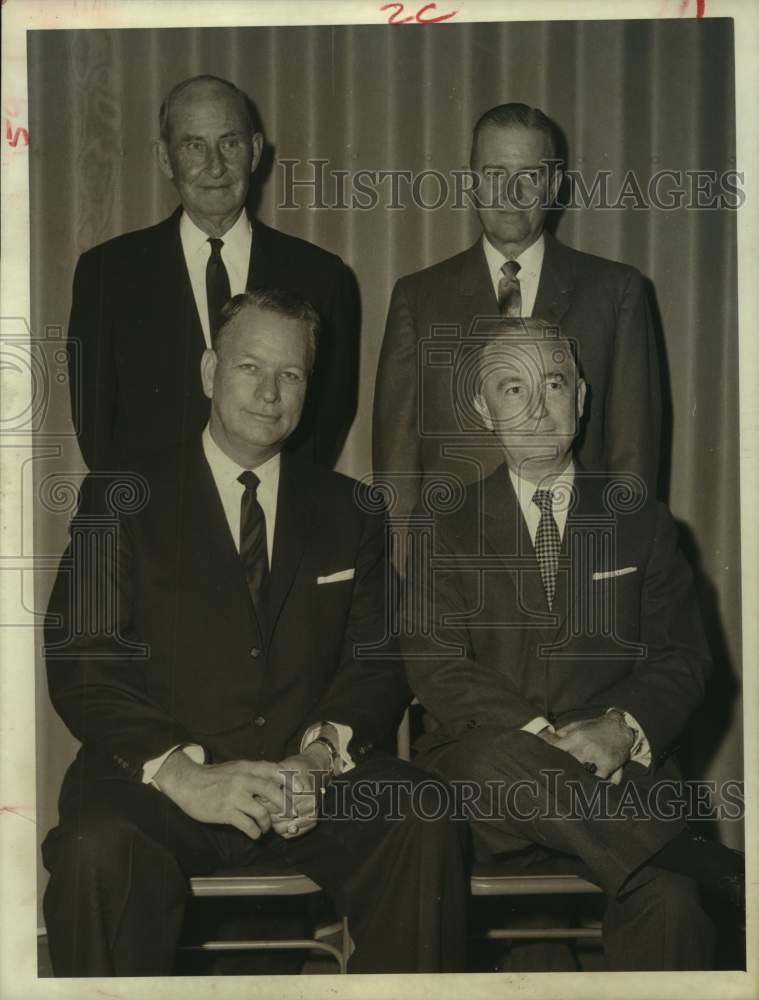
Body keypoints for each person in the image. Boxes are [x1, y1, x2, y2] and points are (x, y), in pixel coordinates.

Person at [43, 288, 467, 977]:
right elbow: (83, 662)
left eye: (291, 374)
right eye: (250, 368)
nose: (270, 392)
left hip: (303, 786)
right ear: (211, 371)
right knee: (97, 846)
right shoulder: (123, 496)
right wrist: (181, 772)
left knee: (421, 814)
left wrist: (322, 755)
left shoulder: (349, 509)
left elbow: (377, 659)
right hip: (162, 787)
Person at [401, 319, 743, 971]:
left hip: (619, 779)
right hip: (485, 794)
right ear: (482, 409)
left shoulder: (638, 520)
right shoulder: (443, 526)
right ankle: (710, 863)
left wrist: (619, 727)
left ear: (580, 398)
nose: (535, 407)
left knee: (672, 902)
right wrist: (540, 740)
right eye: (511, 388)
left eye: (552, 383)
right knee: (498, 757)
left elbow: (682, 658)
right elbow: (437, 665)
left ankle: (683, 868)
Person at [373, 103, 662, 519]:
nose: (511, 195)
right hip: (454, 563)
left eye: (529, 176)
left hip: (578, 552)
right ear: (472, 183)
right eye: (495, 176)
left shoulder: (616, 292)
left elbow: (633, 458)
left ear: (554, 185)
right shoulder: (418, 297)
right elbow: (395, 468)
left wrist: (618, 568)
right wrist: (407, 571)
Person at [68, 74, 358, 475]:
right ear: (165, 158)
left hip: (269, 519)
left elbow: (328, 418)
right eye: (194, 146)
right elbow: (95, 424)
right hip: (145, 520)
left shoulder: (321, 276)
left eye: (230, 143)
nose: (215, 166)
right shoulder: (107, 273)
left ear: (255, 152)